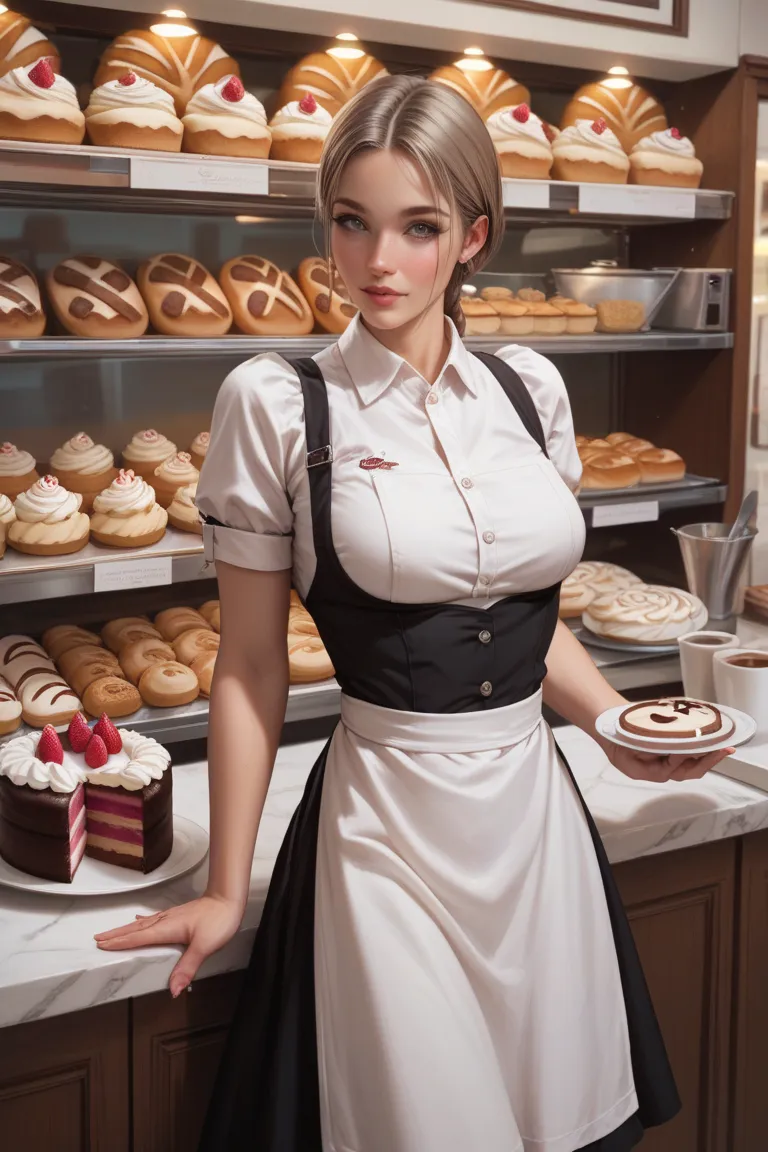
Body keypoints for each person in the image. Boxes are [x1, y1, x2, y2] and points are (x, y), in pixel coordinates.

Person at [95, 75, 734, 1152]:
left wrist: (608, 728)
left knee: (551, 1115)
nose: (377, 262)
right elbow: (249, 667)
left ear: (474, 235)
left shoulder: (533, 391)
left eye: (417, 227)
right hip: (384, 826)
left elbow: (531, 612)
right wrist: (222, 888)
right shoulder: (277, 401)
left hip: (535, 821)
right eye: (351, 223)